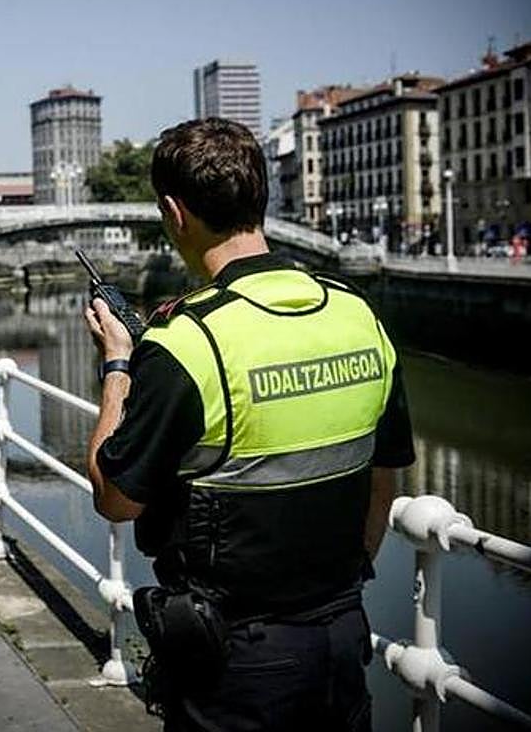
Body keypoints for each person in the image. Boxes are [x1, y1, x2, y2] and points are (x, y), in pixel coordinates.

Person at [82, 118, 414, 732]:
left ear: (174, 213)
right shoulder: (357, 315)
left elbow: (115, 498)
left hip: (236, 659)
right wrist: (342, 584)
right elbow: (384, 479)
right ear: (259, 198)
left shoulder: (188, 342)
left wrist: (118, 364)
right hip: (343, 633)